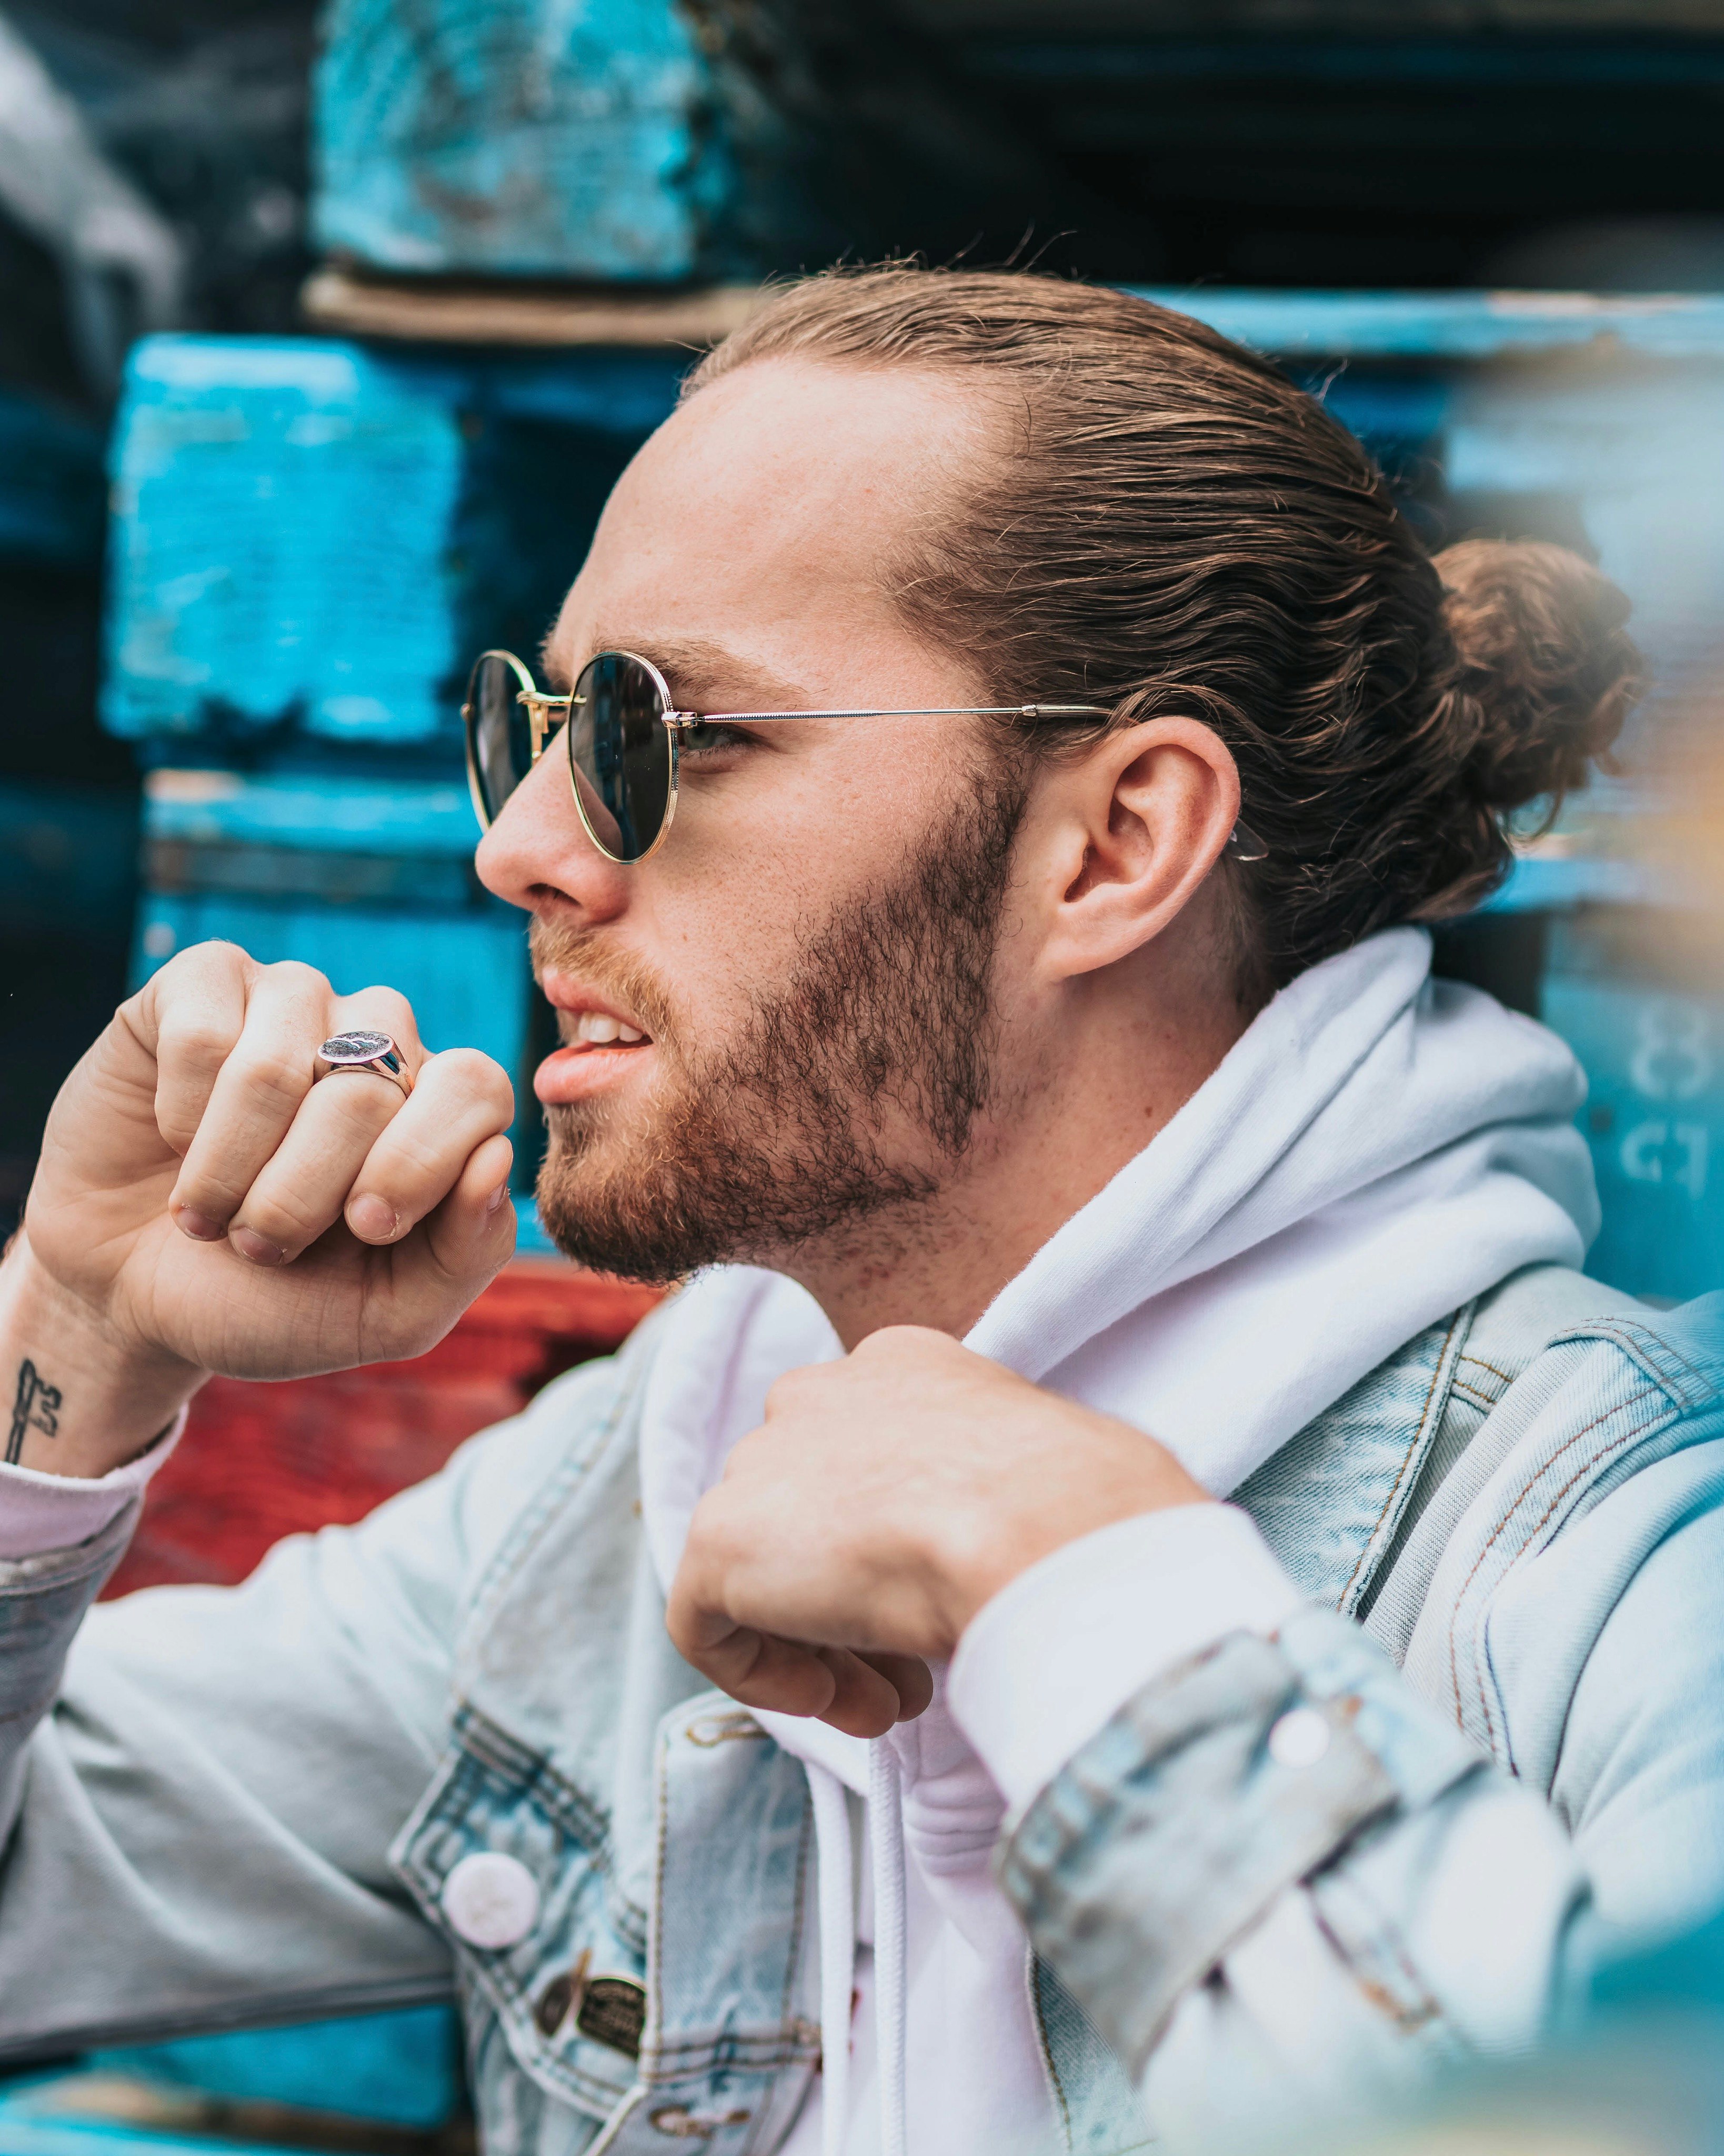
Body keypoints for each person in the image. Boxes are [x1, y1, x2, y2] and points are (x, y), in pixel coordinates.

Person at [2, 266, 1719, 2156]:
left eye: (672, 730)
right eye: (540, 718)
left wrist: (1081, 1596)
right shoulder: (632, 1495)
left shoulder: (1615, 1556)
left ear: (1118, 844)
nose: (524, 849)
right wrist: (69, 1328)